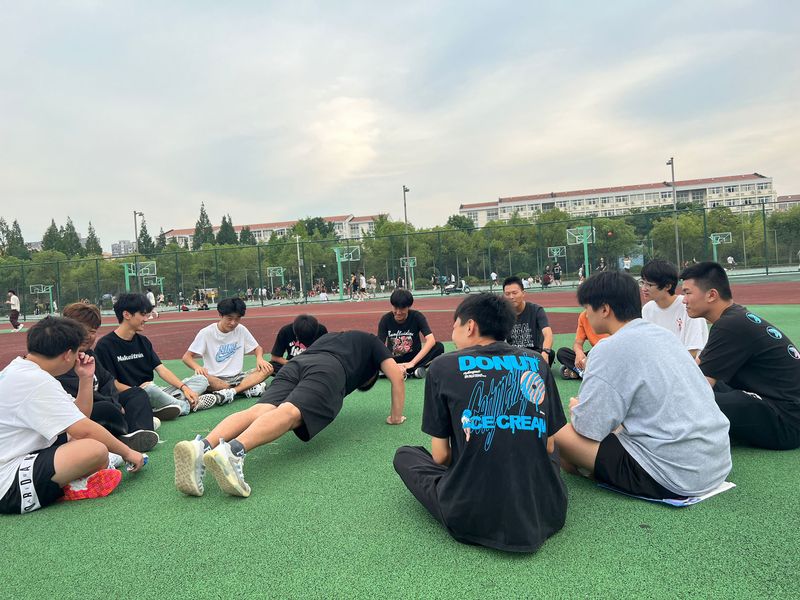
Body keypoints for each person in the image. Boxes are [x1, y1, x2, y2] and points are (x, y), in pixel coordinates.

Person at [393, 293, 567, 552]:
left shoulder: (442, 367)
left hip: (469, 515)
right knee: (545, 446)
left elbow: (440, 457)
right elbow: (549, 446)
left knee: (406, 455)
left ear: (470, 326)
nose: (453, 336)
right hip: (546, 510)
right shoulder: (536, 362)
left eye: (455, 327)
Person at [553, 271, 732, 500]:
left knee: (558, 434)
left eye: (587, 308)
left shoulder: (608, 349)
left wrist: (576, 409)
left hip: (675, 475)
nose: (586, 315)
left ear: (605, 309)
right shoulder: (664, 336)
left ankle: (590, 471)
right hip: (717, 462)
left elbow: (589, 428)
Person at [173, 330, 407, 498]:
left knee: (259, 409)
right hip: (329, 369)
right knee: (292, 411)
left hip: (296, 364)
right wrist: (396, 417)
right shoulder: (373, 343)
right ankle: (234, 451)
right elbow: (396, 375)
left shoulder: (334, 336)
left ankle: (202, 446)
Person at [0, 317, 145, 515]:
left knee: (84, 440)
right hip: (9, 486)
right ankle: (74, 484)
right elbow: (85, 430)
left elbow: (78, 417)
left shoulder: (21, 370)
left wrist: (85, 378)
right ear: (68, 354)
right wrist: (128, 453)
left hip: (18, 460)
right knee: (95, 449)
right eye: (78, 352)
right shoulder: (36, 381)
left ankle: (94, 468)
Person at [681, 262, 800, 450]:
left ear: (711, 295)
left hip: (787, 423)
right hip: (777, 406)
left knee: (690, 401)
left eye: (688, 293)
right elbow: (698, 369)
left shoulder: (730, 325)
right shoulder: (734, 318)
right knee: (707, 389)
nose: (684, 300)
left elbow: (698, 388)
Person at [56, 303, 164, 451]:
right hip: (81, 413)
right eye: (82, 331)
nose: (87, 336)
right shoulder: (62, 360)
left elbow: (108, 381)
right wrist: (113, 404)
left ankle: (139, 433)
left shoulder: (89, 354)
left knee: (137, 393)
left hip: (107, 407)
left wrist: (116, 403)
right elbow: (78, 392)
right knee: (106, 409)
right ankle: (130, 428)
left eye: (92, 331)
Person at [94, 293, 208, 418]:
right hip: (130, 396)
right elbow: (112, 384)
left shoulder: (143, 341)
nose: (146, 319)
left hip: (153, 390)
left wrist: (184, 388)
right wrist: (138, 392)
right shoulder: (105, 345)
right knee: (150, 390)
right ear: (126, 315)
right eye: (143, 314)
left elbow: (162, 370)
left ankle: (162, 405)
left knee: (201, 380)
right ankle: (186, 406)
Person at [182, 297, 273, 411]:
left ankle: (230, 392)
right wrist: (197, 367)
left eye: (237, 319)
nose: (233, 323)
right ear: (220, 315)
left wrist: (259, 358)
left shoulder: (241, 329)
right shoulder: (207, 332)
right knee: (203, 379)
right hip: (215, 379)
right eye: (229, 318)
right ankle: (245, 389)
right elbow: (186, 357)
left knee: (268, 368)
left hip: (238, 377)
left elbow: (257, 348)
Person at [640, 259, 708, 357]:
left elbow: (692, 351)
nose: (643, 288)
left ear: (667, 286)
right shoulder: (647, 310)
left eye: (649, 285)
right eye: (642, 283)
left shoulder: (688, 306)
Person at [378, 289, 445, 378]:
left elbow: (431, 340)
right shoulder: (385, 319)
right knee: (372, 352)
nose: (398, 312)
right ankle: (411, 371)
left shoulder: (417, 317)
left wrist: (412, 363)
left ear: (408, 307)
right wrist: (390, 363)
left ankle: (401, 370)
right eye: (395, 308)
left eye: (402, 309)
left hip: (414, 359)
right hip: (393, 361)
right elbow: (379, 346)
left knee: (439, 347)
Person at [502, 276, 554, 365]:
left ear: (523, 293)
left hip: (534, 353)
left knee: (550, 354)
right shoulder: (501, 314)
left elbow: (547, 333)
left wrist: (545, 352)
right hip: (513, 355)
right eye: (507, 294)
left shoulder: (536, 310)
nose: (511, 297)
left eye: (514, 293)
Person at [555, 310, 608, 380]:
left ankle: (580, 372)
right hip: (593, 355)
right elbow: (577, 343)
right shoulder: (583, 316)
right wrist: (579, 352)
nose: (587, 315)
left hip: (608, 354)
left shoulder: (610, 315)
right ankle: (584, 373)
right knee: (562, 352)